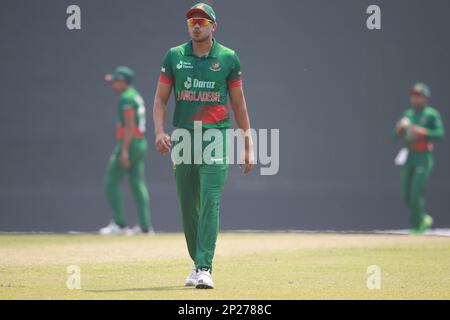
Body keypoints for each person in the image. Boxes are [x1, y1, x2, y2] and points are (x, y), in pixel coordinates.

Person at [152, 3, 254, 288]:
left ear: (213, 26)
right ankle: (197, 263)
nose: (196, 25)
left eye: (202, 21)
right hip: (183, 137)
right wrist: (160, 132)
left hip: (216, 137)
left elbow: (238, 104)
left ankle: (205, 267)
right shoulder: (174, 56)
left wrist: (248, 143)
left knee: (211, 199)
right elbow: (160, 99)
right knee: (188, 204)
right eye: (192, 21)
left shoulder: (228, 58)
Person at [100, 66, 153, 235]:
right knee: (137, 183)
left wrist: (123, 150)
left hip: (129, 143)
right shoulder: (135, 96)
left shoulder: (126, 98)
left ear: (124, 81)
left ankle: (120, 224)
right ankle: (145, 226)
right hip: (140, 142)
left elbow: (130, 126)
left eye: (116, 81)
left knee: (111, 181)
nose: (114, 84)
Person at [394, 83, 445, 235]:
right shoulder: (408, 114)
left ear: (425, 98)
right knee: (405, 195)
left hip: (423, 156)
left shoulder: (431, 114)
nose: (415, 98)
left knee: (416, 193)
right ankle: (422, 218)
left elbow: (440, 134)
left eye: (418, 96)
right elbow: (395, 135)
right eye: (413, 95)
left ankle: (417, 226)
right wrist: (400, 129)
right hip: (410, 155)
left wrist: (422, 132)